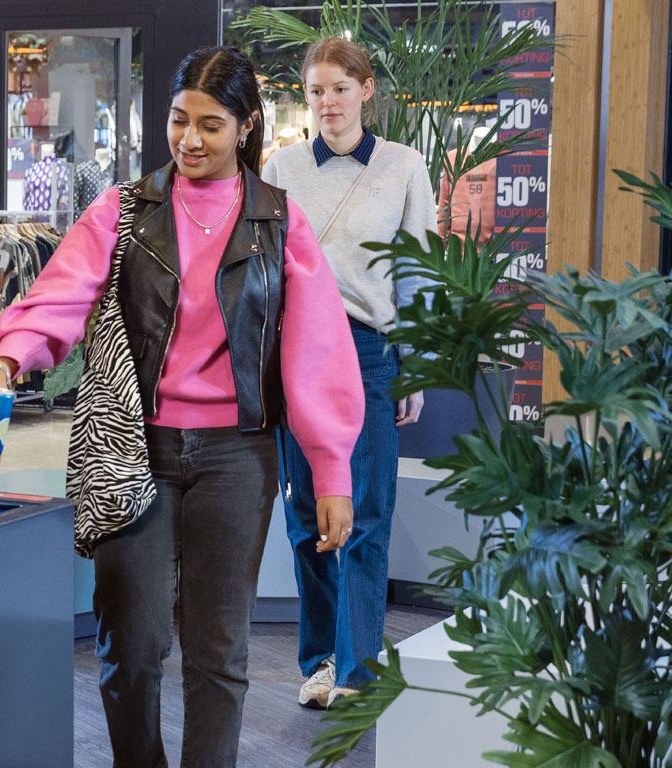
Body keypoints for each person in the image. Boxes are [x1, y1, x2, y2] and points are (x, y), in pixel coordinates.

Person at [0, 46, 365, 767]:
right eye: (180, 121)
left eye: (211, 124)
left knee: (219, 652)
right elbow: (58, 295)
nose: (191, 140)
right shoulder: (124, 212)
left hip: (238, 457)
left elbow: (319, 352)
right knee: (134, 643)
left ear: (246, 127)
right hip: (133, 449)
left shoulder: (279, 223)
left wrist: (331, 472)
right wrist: (2, 364)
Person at [260, 36, 434, 709]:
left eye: (339, 88)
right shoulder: (280, 170)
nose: (327, 103)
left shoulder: (403, 167)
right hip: (296, 352)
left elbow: (418, 271)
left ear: (367, 90)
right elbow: (265, 272)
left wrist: (413, 366)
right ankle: (321, 659)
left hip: (367, 351)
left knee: (364, 513)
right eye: (314, 91)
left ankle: (360, 666)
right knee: (306, 515)